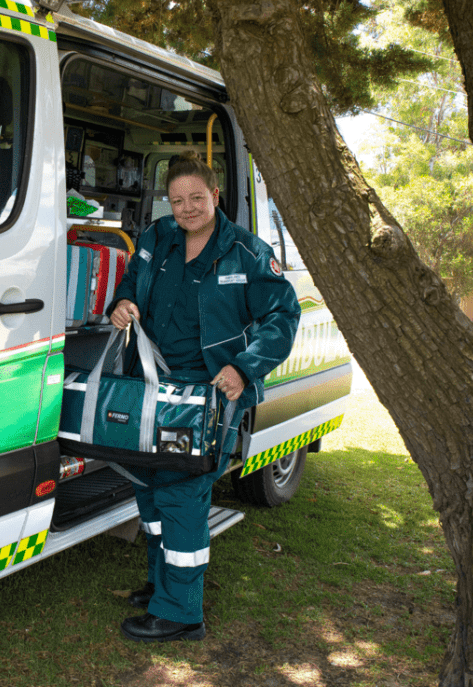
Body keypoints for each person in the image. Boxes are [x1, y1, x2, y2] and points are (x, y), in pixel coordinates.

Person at [108, 152, 300, 643]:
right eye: (177, 200)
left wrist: (244, 367)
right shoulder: (156, 238)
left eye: (197, 197)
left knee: (182, 491)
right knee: (149, 484)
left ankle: (180, 612)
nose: (187, 208)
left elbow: (282, 318)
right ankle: (160, 583)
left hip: (210, 394)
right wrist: (123, 303)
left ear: (215, 195)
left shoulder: (247, 252)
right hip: (153, 386)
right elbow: (132, 281)